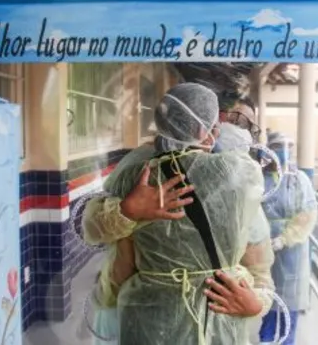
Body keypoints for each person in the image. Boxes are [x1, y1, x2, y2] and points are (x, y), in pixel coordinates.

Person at [88, 83, 275, 345]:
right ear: (206, 130)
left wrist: (127, 212)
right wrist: (258, 302)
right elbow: (258, 261)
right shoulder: (241, 179)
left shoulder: (138, 175)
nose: (232, 131)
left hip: (149, 323)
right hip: (217, 323)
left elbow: (118, 258)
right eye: (226, 122)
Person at [258, 132, 318, 345]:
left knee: (288, 304)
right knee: (267, 299)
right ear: (269, 149)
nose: (283, 151)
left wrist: (284, 239)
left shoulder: (299, 180)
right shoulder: (259, 178)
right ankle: (265, 340)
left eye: (287, 146)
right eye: (277, 146)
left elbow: (308, 214)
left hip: (292, 254)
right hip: (262, 250)